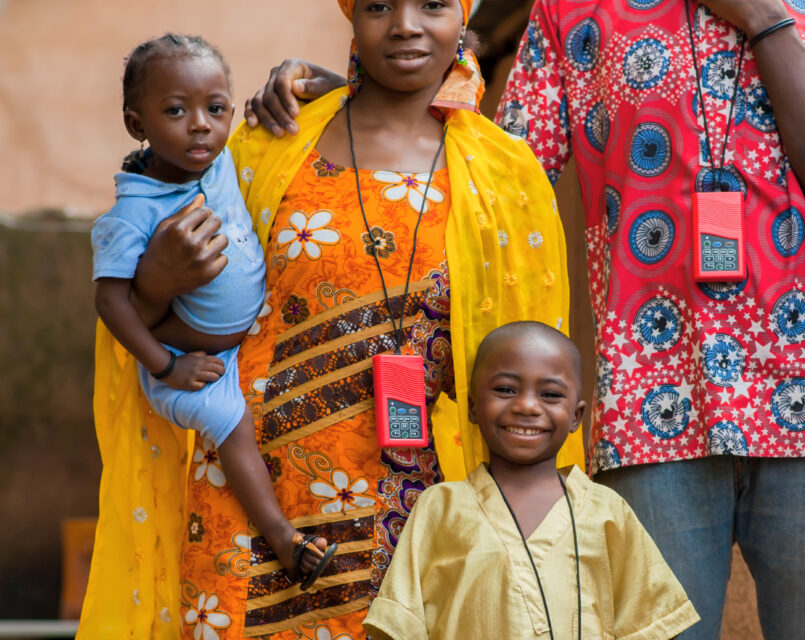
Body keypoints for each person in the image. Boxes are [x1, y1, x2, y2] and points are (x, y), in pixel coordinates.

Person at [249, 0, 805, 637]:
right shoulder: (573, 8)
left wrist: (765, 18)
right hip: (654, 410)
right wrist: (360, 104)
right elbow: (494, 173)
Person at [79, 2, 583, 639]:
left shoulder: (506, 176)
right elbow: (169, 312)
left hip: (415, 515)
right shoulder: (270, 143)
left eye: (431, 4)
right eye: (377, 5)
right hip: (247, 501)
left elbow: (526, 382)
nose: (403, 24)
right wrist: (154, 282)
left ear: (462, 17)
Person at [90, 33, 336, 597]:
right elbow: (110, 301)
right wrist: (165, 367)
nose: (200, 124)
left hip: (249, 341)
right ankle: (283, 539)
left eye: (215, 108)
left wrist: (298, 74)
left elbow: (335, 97)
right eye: (175, 111)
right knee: (235, 427)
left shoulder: (223, 160)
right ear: (137, 124)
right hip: (186, 359)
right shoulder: (135, 211)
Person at [362, 321, 699, 640]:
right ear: (473, 407)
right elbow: (401, 625)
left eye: (550, 395)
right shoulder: (439, 507)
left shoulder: (607, 511)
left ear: (576, 417)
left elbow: (651, 622)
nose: (526, 406)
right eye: (506, 389)